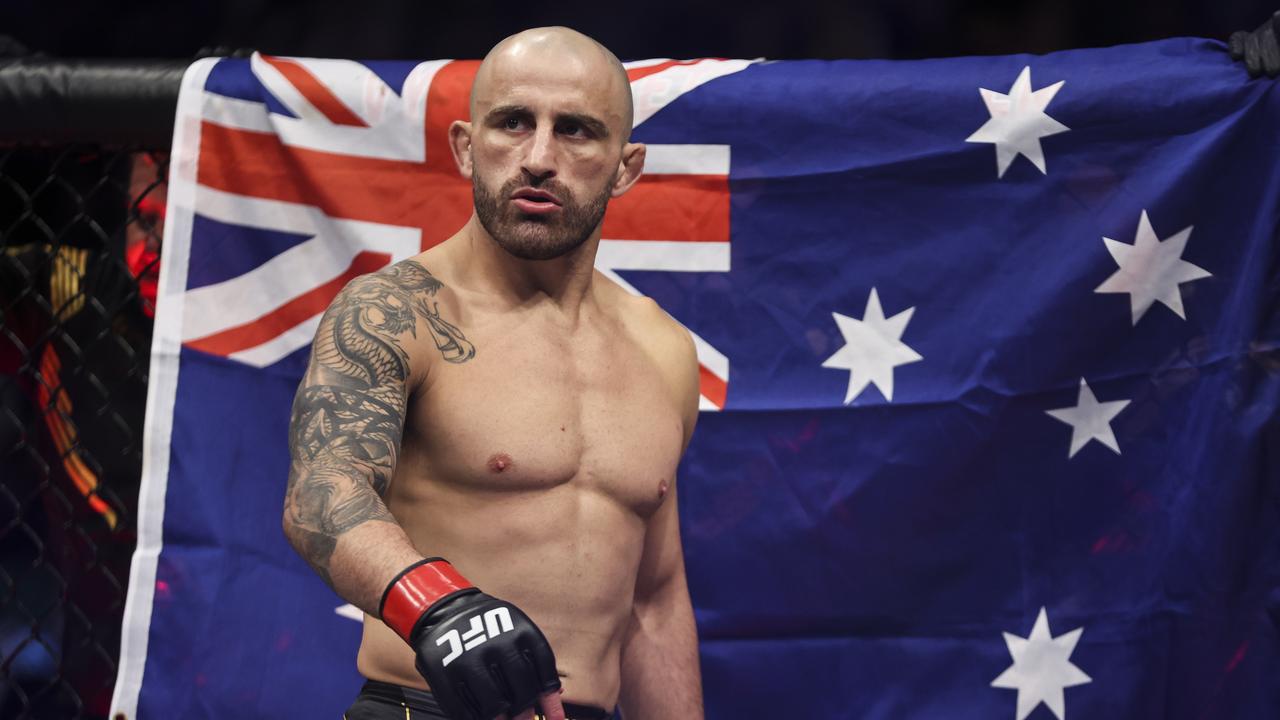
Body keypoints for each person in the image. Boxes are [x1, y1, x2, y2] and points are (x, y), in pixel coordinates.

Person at [282, 26, 704, 720]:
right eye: (513, 122)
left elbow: (654, 600)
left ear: (625, 167)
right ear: (465, 146)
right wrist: (437, 605)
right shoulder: (398, 310)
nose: (539, 157)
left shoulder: (663, 349)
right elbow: (322, 496)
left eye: (575, 131)